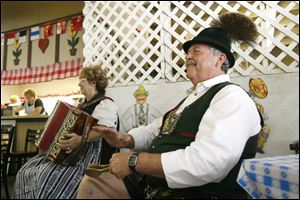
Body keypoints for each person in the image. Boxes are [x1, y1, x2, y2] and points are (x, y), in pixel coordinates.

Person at [77, 12, 261, 199]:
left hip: (199, 194)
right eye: (188, 52)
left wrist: (135, 161)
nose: (188, 56)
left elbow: (209, 163)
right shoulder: (192, 98)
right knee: (93, 182)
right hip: (157, 186)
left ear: (220, 59)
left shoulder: (232, 97)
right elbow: (156, 129)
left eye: (196, 51)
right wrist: (124, 140)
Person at [12, 65, 119, 199]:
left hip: (91, 157)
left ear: (93, 82)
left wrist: (80, 140)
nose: (79, 84)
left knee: (46, 177)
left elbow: (103, 131)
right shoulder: (83, 105)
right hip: (75, 153)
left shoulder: (105, 104)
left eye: (82, 80)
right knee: (27, 170)